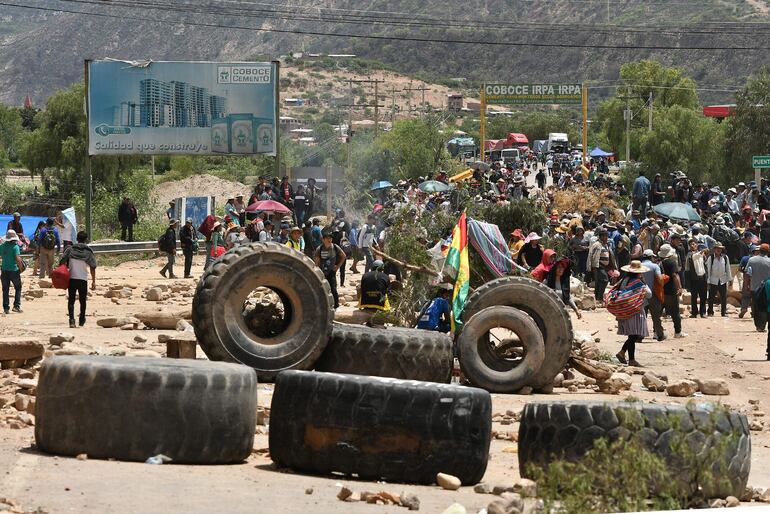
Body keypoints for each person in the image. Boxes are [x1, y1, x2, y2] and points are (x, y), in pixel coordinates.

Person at [613, 260, 652, 367]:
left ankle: (625, 355)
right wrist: (644, 283)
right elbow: (649, 294)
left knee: (632, 335)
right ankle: (629, 358)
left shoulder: (623, 280)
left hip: (625, 310)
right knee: (634, 335)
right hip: (635, 311)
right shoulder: (638, 282)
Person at [59, 231, 97, 328]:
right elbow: (93, 266)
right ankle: (82, 319)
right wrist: (93, 281)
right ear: (86, 240)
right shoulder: (88, 251)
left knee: (71, 301)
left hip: (72, 279)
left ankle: (71, 320)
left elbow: (62, 261)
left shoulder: (70, 250)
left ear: (77, 239)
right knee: (83, 301)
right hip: (83, 279)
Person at [659, 244, 687, 338]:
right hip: (671, 291)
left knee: (658, 312)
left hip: (661, 290)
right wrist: (679, 288)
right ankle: (678, 332)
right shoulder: (672, 262)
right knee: (675, 312)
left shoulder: (659, 263)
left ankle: (657, 332)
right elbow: (675, 275)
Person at [314, 229, 345, 309]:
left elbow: (343, 256)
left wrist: (337, 266)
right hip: (322, 272)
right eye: (327, 238)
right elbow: (317, 262)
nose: (329, 240)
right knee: (322, 289)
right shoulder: (319, 249)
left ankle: (336, 306)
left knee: (333, 289)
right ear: (323, 239)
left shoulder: (335, 247)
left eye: (330, 238)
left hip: (331, 272)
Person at [748, 243, 770, 332]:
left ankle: (759, 326)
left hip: (754, 287)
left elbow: (747, 274)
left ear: (759, 250)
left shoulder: (752, 260)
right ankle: (763, 325)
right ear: (768, 252)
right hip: (767, 288)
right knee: (766, 306)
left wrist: (746, 286)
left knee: (756, 306)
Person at [705, 242, 731, 317]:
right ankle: (710, 311)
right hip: (713, 280)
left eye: (720, 248)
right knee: (711, 297)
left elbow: (728, 268)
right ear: (714, 249)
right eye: (717, 248)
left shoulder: (725, 257)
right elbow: (709, 270)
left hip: (722, 280)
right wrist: (708, 281)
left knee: (723, 297)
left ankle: (723, 312)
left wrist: (730, 279)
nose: (718, 250)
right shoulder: (711, 258)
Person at [1, 230, 23, 314]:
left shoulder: (2, 246)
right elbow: (18, 259)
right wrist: (21, 268)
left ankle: (6, 308)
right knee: (18, 287)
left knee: (5, 290)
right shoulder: (15, 247)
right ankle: (16, 306)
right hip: (14, 270)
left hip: (4, 270)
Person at [589, 228, 613, 302]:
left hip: (605, 266)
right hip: (598, 266)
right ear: (601, 237)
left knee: (599, 282)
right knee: (605, 280)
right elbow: (592, 256)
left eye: (607, 236)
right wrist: (593, 267)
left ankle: (597, 298)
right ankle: (599, 297)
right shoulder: (597, 245)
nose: (606, 238)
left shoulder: (606, 245)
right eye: (605, 236)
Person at [684, 240, 707, 318]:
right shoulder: (690, 255)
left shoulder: (702, 255)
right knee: (694, 297)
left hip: (703, 278)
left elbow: (705, 265)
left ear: (696, 245)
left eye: (693, 244)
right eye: (691, 245)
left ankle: (703, 312)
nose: (692, 246)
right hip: (694, 279)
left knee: (703, 296)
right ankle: (694, 313)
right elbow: (695, 256)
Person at [739, 245, 759, 318]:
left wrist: (744, 272)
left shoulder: (745, 258)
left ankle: (744, 308)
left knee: (745, 296)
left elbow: (740, 268)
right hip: (756, 281)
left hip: (746, 280)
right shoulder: (759, 260)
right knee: (754, 297)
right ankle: (753, 312)